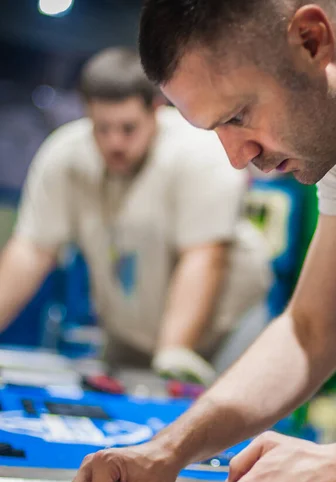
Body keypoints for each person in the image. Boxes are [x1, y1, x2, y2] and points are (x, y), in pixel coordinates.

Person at [63, 0, 336, 482]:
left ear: (312, 40)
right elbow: (312, 328)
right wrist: (167, 451)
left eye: (239, 115)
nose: (238, 158)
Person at [0, 47, 268, 384]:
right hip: (130, 339)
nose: (115, 143)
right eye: (102, 128)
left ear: (156, 109)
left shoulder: (199, 152)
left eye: (128, 129)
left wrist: (173, 351)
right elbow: (32, 251)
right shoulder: (64, 157)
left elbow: (203, 257)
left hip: (223, 336)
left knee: (224, 429)